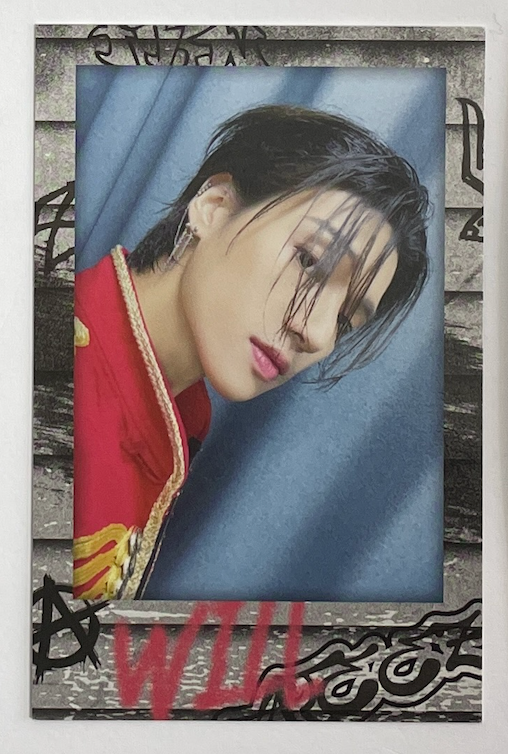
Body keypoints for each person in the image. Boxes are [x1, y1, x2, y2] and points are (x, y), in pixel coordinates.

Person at [73, 105, 429, 600]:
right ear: (214, 206)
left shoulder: (185, 412)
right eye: (310, 261)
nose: (316, 333)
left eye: (345, 319)